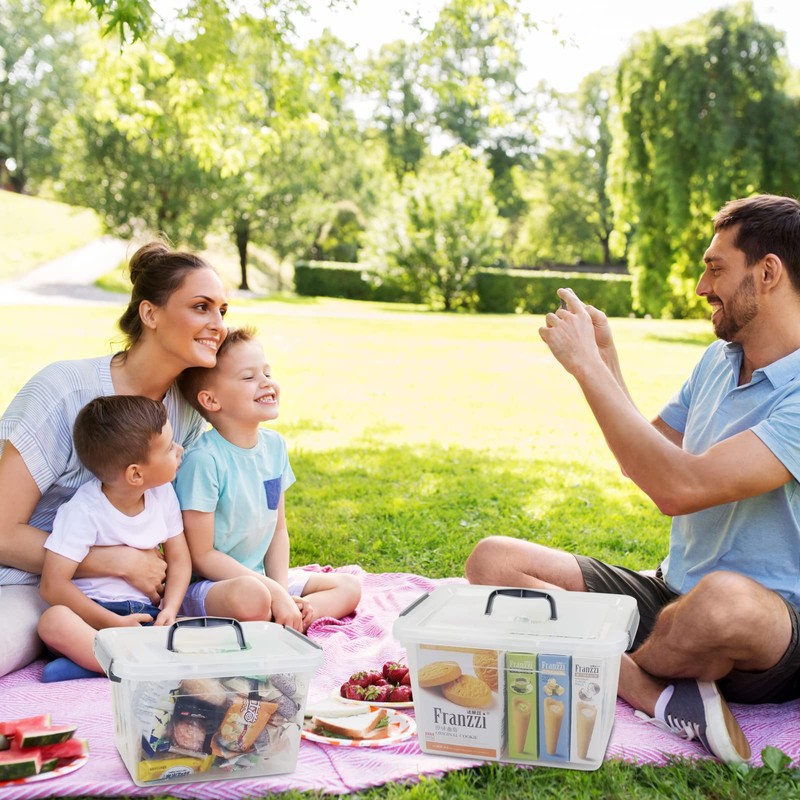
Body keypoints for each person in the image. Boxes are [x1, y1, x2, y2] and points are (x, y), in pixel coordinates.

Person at [465, 194, 800, 764]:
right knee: (493, 562)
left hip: (771, 628)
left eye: (715, 267)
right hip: (672, 595)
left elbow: (677, 489)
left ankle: (606, 657)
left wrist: (588, 369)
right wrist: (606, 359)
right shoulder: (718, 361)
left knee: (723, 605)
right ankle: (655, 687)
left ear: (767, 273)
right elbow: (651, 457)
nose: (701, 286)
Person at [0, 241, 228, 677]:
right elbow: (1, 531)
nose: (218, 325)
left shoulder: (184, 413)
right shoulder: (63, 390)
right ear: (150, 314)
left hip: (126, 595)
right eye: (201, 307)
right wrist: (112, 559)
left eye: (222, 310)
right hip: (27, 581)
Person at [174, 326, 361, 633]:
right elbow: (202, 556)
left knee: (349, 586)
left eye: (267, 372)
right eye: (249, 377)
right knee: (252, 598)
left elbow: (278, 528)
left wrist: (281, 589)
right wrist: (273, 593)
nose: (267, 383)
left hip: (262, 577)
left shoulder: (274, 447)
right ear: (211, 400)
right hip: (212, 586)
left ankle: (291, 619)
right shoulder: (204, 460)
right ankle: (280, 619)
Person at [37, 396, 191, 681]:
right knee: (53, 621)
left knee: (206, 629)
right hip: (92, 619)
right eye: (169, 448)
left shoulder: (163, 494)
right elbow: (52, 586)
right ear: (135, 473)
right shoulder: (84, 509)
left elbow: (180, 558)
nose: (179, 450)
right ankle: (126, 662)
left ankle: (97, 665)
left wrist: (170, 608)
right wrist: (113, 623)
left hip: (146, 618)